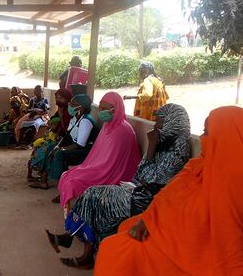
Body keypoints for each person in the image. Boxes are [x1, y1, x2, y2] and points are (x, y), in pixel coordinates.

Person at [94, 106, 243, 276]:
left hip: (196, 251)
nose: (202, 138)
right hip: (170, 228)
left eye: (206, 132)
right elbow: (167, 192)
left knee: (113, 250)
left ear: (226, 138)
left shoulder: (233, 182)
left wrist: (156, 223)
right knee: (120, 224)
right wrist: (148, 220)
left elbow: (217, 233)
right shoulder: (199, 164)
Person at [46, 104, 191, 269]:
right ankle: (73, 239)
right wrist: (152, 148)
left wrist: (151, 147)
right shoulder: (161, 143)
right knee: (91, 192)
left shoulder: (178, 149)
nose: (156, 126)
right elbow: (140, 174)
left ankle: (82, 251)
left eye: (160, 122)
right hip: (136, 189)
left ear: (173, 122)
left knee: (96, 198)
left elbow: (156, 181)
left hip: (147, 199)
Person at [57, 92, 141, 215]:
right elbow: (98, 154)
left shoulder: (123, 131)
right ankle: (72, 216)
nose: (101, 111)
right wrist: (88, 168)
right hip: (99, 167)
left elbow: (111, 163)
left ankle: (74, 221)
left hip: (113, 172)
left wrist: (91, 170)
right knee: (67, 175)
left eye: (104, 109)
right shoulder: (108, 126)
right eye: (100, 108)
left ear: (116, 109)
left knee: (73, 183)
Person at [30, 94, 97, 190]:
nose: (70, 106)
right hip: (75, 147)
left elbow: (80, 144)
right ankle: (43, 181)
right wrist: (56, 146)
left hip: (86, 151)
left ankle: (62, 189)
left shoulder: (85, 121)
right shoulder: (75, 118)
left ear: (80, 107)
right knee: (50, 148)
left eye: (73, 104)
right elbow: (67, 136)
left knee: (59, 154)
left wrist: (60, 148)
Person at [27, 116, 61, 182]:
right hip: (43, 147)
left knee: (42, 160)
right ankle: (29, 176)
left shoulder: (58, 135)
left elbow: (55, 142)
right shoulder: (50, 131)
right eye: (52, 124)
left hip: (46, 150)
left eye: (55, 125)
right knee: (32, 160)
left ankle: (42, 176)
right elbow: (45, 138)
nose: (53, 126)